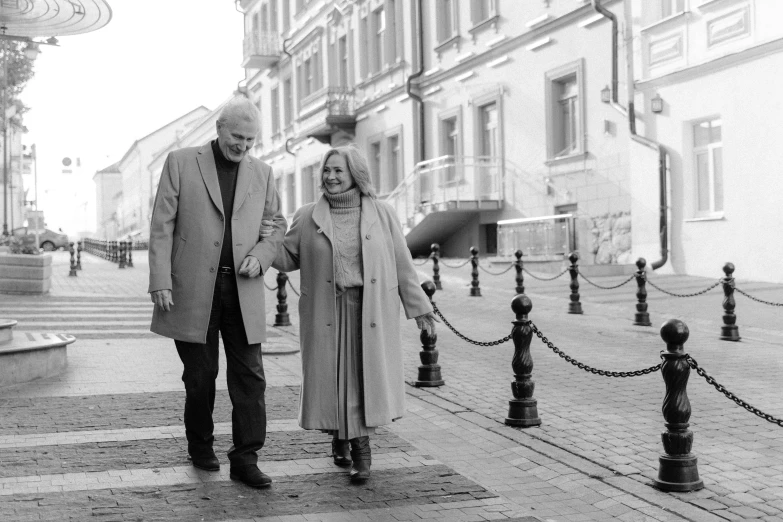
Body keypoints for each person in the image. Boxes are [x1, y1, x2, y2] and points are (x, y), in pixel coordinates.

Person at [273, 145, 437, 482]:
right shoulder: (307, 216)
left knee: (360, 381)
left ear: (355, 175)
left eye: (338, 171)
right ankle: (340, 437)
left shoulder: (382, 212)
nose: (330, 177)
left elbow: (402, 263)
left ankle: (359, 449)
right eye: (326, 170)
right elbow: (287, 258)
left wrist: (420, 308)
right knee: (335, 379)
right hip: (327, 311)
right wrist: (262, 239)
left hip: (369, 311)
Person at [148, 96, 287, 488]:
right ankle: (200, 445)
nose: (242, 146)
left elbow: (276, 223)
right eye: (237, 137)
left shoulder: (262, 173)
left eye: (250, 140)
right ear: (220, 129)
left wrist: (262, 256)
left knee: (250, 377)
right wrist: (160, 279)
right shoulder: (181, 162)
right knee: (201, 375)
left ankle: (246, 458)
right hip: (192, 289)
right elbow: (162, 224)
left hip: (242, 290)